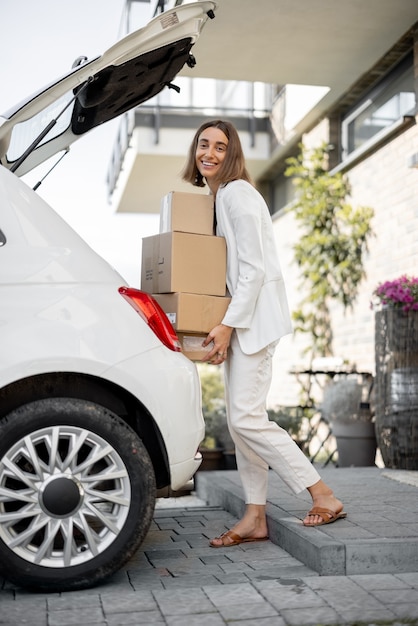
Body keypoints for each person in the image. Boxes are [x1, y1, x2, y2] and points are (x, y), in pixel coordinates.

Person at [182, 120, 346, 548]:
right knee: (241, 425)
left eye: (221, 147)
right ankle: (255, 516)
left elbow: (254, 271)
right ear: (195, 151)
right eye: (204, 145)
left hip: (254, 322)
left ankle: (322, 494)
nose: (211, 154)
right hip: (242, 324)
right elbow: (232, 276)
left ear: (232, 154)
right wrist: (224, 330)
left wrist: (226, 326)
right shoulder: (218, 198)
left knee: (247, 418)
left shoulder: (237, 194)